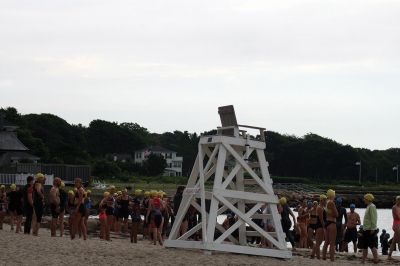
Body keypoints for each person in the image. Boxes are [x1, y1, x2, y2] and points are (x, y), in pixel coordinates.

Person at [361, 193, 378, 264]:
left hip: (370, 229)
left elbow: (374, 218)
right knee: (365, 246)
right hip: (366, 229)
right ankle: (363, 260)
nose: (364, 200)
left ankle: (376, 259)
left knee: (372, 245)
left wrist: (373, 228)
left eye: (365, 199)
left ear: (368, 199)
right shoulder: (368, 206)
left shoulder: (372, 206)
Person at [322, 189, 338, 262]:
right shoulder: (331, 202)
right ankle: (332, 259)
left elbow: (328, 212)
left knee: (326, 242)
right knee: (332, 243)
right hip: (332, 222)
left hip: (327, 222)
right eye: (334, 194)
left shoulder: (326, 202)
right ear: (332, 195)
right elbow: (336, 214)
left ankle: (324, 257)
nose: (335, 196)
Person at [311, 195, 326, 259]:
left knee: (319, 242)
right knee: (318, 242)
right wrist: (324, 227)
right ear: (321, 200)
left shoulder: (323, 207)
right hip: (320, 226)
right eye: (324, 200)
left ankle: (312, 254)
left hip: (320, 225)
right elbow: (321, 219)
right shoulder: (319, 207)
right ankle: (318, 257)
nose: (325, 201)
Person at [388, 195, 400, 260]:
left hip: (399, 225)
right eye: (398, 200)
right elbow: (398, 217)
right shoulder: (394, 207)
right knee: (399, 240)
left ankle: (389, 255)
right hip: (396, 225)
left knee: (394, 241)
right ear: (396, 200)